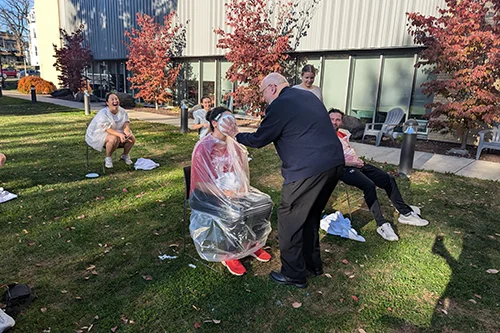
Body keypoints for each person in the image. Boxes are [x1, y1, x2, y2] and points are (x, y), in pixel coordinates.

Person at [219, 73, 345, 288]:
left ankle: (293, 274)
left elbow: (260, 139)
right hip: (333, 164)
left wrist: (237, 134)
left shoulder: (280, 104)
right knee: (310, 216)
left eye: (263, 92)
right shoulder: (307, 96)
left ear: (273, 88)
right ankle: (312, 265)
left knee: (289, 220)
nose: (264, 98)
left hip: (307, 169)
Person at [189, 106, 273, 276]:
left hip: (234, 190)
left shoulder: (234, 145)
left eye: (232, 120)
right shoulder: (203, 147)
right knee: (235, 212)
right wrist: (225, 194)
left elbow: (241, 173)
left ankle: (252, 244)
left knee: (263, 203)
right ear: (214, 123)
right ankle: (229, 252)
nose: (231, 124)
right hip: (208, 194)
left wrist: (243, 189)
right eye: (226, 121)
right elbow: (200, 183)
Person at [328, 108, 429, 241]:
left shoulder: (342, 134)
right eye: (331, 119)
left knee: (388, 179)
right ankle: (381, 224)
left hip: (357, 164)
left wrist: (357, 161)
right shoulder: (322, 136)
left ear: (341, 122)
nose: (334, 122)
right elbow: (328, 159)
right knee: (369, 185)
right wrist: (352, 164)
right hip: (341, 168)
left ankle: (404, 212)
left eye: (337, 119)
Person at [85, 93, 136, 168]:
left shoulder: (122, 111)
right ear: (107, 103)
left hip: (118, 132)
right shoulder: (103, 113)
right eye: (112, 99)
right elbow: (107, 129)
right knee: (114, 139)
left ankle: (125, 155)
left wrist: (127, 132)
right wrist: (120, 135)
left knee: (132, 138)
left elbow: (126, 123)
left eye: (116, 99)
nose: (115, 101)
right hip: (102, 133)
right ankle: (108, 158)